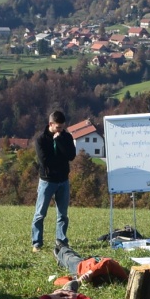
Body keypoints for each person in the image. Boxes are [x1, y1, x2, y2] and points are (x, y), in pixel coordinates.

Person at [32, 110, 77, 251]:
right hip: (47, 181)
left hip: (63, 181)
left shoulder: (66, 137)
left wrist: (59, 141)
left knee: (62, 215)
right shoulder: (40, 140)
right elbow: (45, 161)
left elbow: (71, 156)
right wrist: (60, 160)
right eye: (58, 127)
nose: (60, 130)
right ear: (50, 124)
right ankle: (37, 243)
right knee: (40, 213)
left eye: (62, 127)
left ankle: (61, 241)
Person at [52, 243, 130, 288]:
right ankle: (63, 249)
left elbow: (57, 281)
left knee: (68, 258)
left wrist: (77, 282)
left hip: (79, 266)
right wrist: (90, 273)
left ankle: (62, 250)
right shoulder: (122, 275)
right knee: (72, 257)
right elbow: (108, 262)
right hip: (92, 260)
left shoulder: (85, 280)